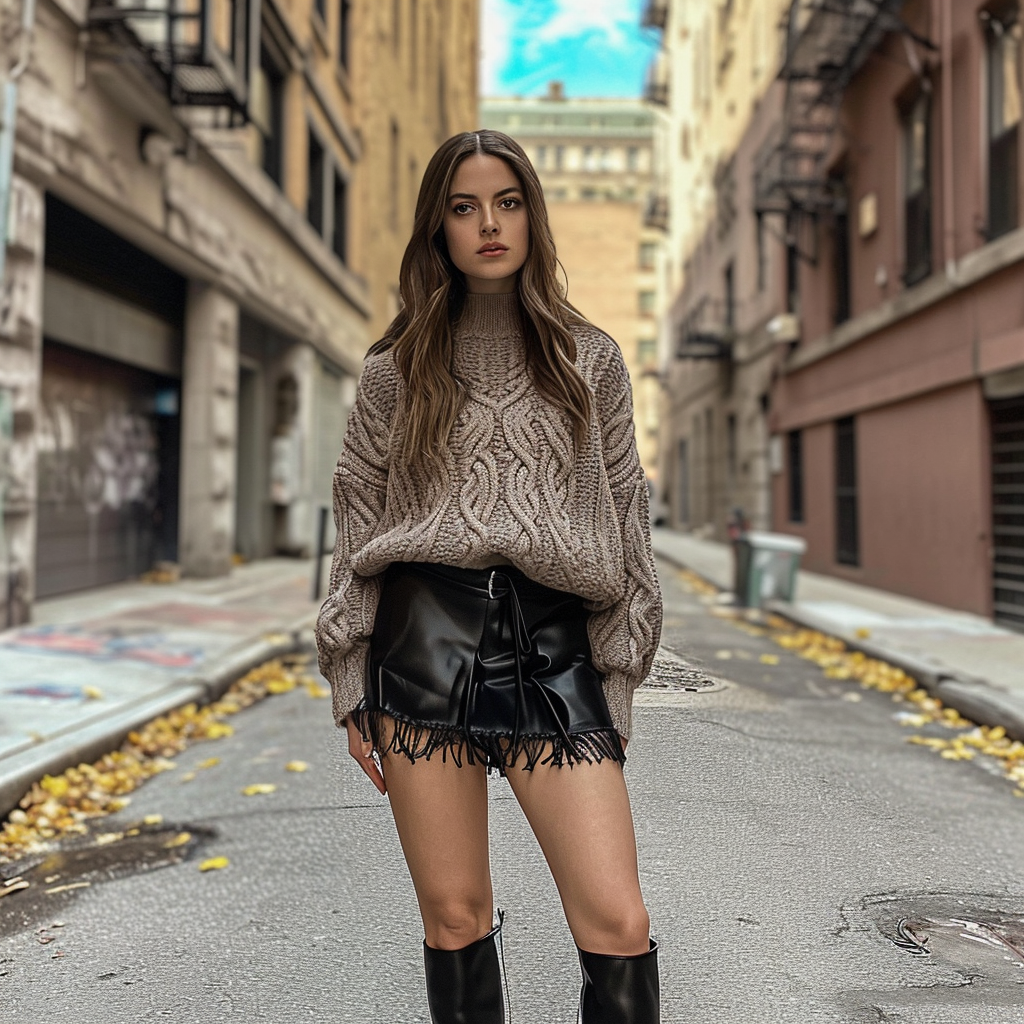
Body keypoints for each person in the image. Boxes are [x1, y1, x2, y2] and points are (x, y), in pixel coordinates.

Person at [316, 129, 663, 1024]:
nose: (488, 224)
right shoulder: (395, 370)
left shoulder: (591, 361)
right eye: (464, 207)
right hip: (422, 645)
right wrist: (351, 678)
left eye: (507, 202)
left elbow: (626, 521)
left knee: (618, 920)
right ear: (439, 228)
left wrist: (615, 682)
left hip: (553, 650)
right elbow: (357, 513)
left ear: (533, 216)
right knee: (455, 915)